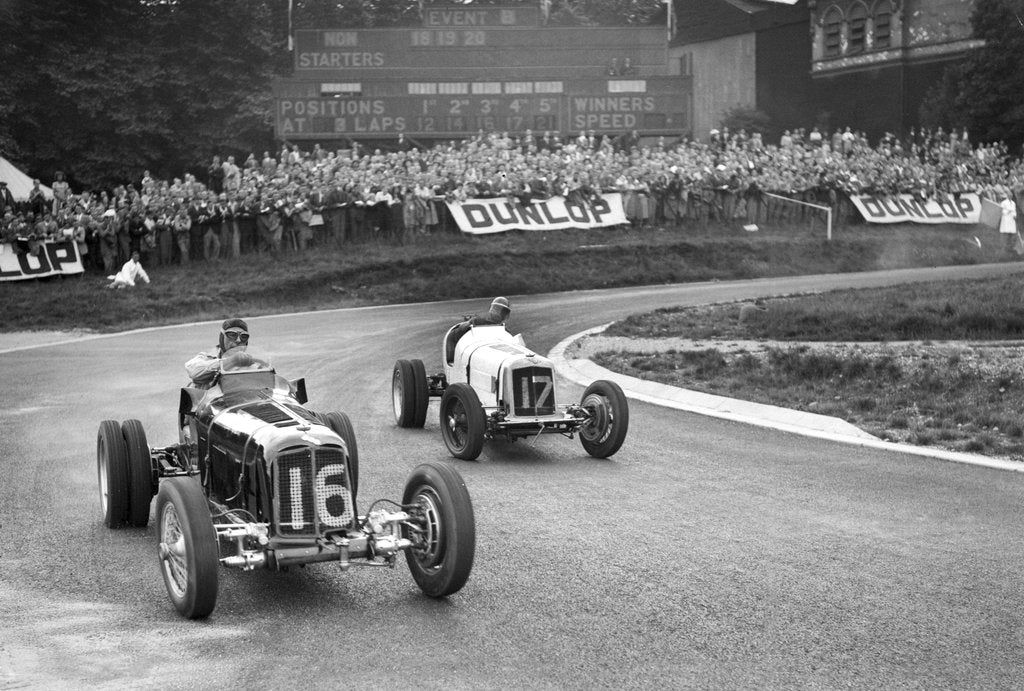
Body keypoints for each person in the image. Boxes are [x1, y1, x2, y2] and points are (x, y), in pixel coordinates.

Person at [185, 318, 250, 388]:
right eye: (232, 335)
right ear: (222, 338)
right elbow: (194, 372)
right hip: (210, 397)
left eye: (244, 337)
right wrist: (230, 361)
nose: (238, 340)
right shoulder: (205, 358)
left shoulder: (252, 365)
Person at [445, 297, 511, 363]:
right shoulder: (475, 322)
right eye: (496, 310)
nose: (496, 313)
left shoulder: (503, 330)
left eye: (500, 311)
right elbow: (452, 336)